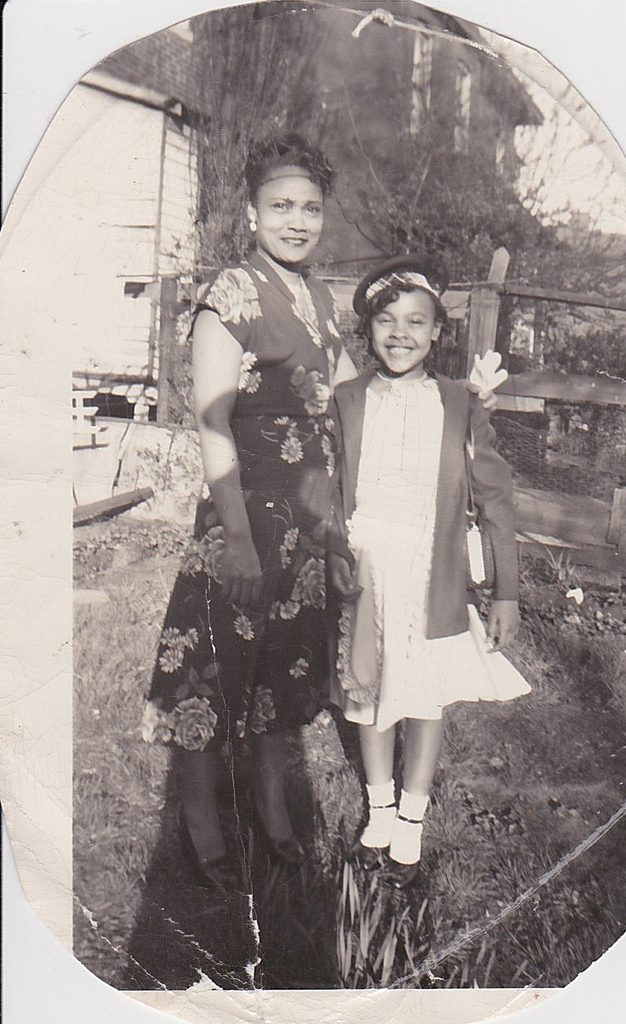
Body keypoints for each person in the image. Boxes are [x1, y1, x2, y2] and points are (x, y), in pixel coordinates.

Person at [142, 134, 357, 891]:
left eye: (309, 208)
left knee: (284, 679)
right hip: (243, 523)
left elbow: (348, 403)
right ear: (250, 211)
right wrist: (235, 540)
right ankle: (204, 831)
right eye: (280, 206)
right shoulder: (231, 294)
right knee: (211, 678)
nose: (296, 221)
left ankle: (270, 810)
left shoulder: (322, 300)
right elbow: (211, 421)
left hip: (305, 529)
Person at [328, 255, 531, 889]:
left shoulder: (458, 403)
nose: (400, 334)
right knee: (368, 686)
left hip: (429, 571)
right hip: (366, 572)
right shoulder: (347, 399)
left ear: (437, 330)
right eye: (386, 321)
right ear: (369, 329)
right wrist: (333, 553)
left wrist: (507, 592)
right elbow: (331, 485)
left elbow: (494, 497)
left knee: (424, 692)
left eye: (416, 322)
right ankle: (380, 808)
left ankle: (413, 815)